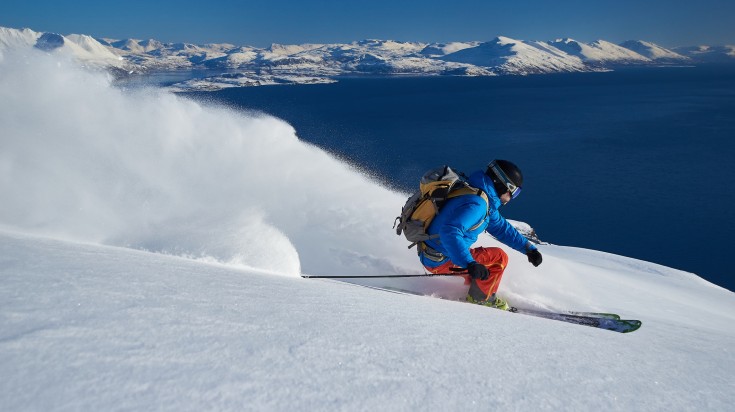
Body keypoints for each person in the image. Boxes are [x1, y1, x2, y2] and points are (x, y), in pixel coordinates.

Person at [418, 159, 543, 310]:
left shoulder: (479, 194)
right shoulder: (477, 205)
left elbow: (501, 228)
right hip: (441, 260)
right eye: (514, 193)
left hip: (433, 252)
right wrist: (469, 263)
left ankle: (475, 284)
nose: (511, 198)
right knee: (498, 258)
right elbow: (449, 232)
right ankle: (480, 298)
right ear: (504, 185)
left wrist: (528, 248)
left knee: (480, 263)